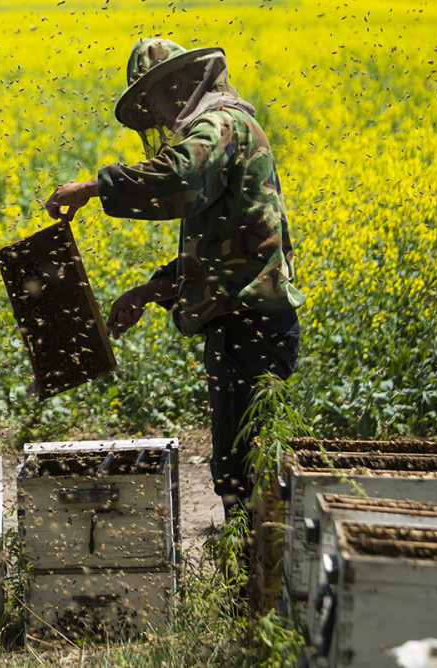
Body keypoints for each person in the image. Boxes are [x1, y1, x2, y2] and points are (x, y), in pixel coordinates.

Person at [44, 38, 304, 520]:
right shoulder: (221, 128)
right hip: (242, 326)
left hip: (253, 327)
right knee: (237, 471)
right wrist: (151, 291)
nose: (157, 118)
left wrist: (94, 187)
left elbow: (179, 177)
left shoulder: (221, 124)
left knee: (251, 476)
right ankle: (251, 584)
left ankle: (260, 588)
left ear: (179, 84)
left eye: (155, 103)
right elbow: (217, 247)